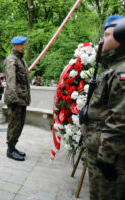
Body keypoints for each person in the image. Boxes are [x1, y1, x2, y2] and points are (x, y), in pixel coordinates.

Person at [83, 15, 125, 200]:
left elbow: (119, 119)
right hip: (100, 149)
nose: (102, 39)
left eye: (108, 35)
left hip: (110, 157)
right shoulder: (112, 68)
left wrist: (106, 158)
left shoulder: (121, 72)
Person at [4, 36, 31, 161]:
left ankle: (13, 146)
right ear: (14, 46)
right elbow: (11, 81)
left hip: (22, 99)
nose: (23, 46)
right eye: (21, 45)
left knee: (20, 125)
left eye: (24, 44)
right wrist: (13, 99)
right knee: (14, 125)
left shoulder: (22, 61)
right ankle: (10, 150)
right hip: (15, 100)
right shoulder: (11, 60)